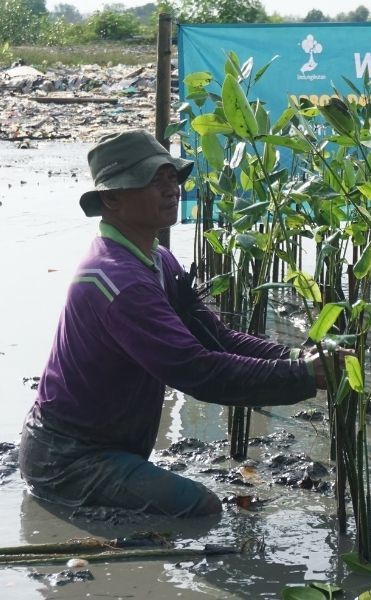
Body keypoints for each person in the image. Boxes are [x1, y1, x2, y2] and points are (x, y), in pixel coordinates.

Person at [19, 129, 332, 518]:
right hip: (68, 460)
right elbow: (198, 371)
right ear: (112, 198)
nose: (170, 190)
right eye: (153, 181)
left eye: (172, 178)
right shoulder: (119, 282)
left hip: (107, 446)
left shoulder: (158, 259)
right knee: (201, 508)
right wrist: (302, 376)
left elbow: (213, 337)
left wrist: (295, 356)